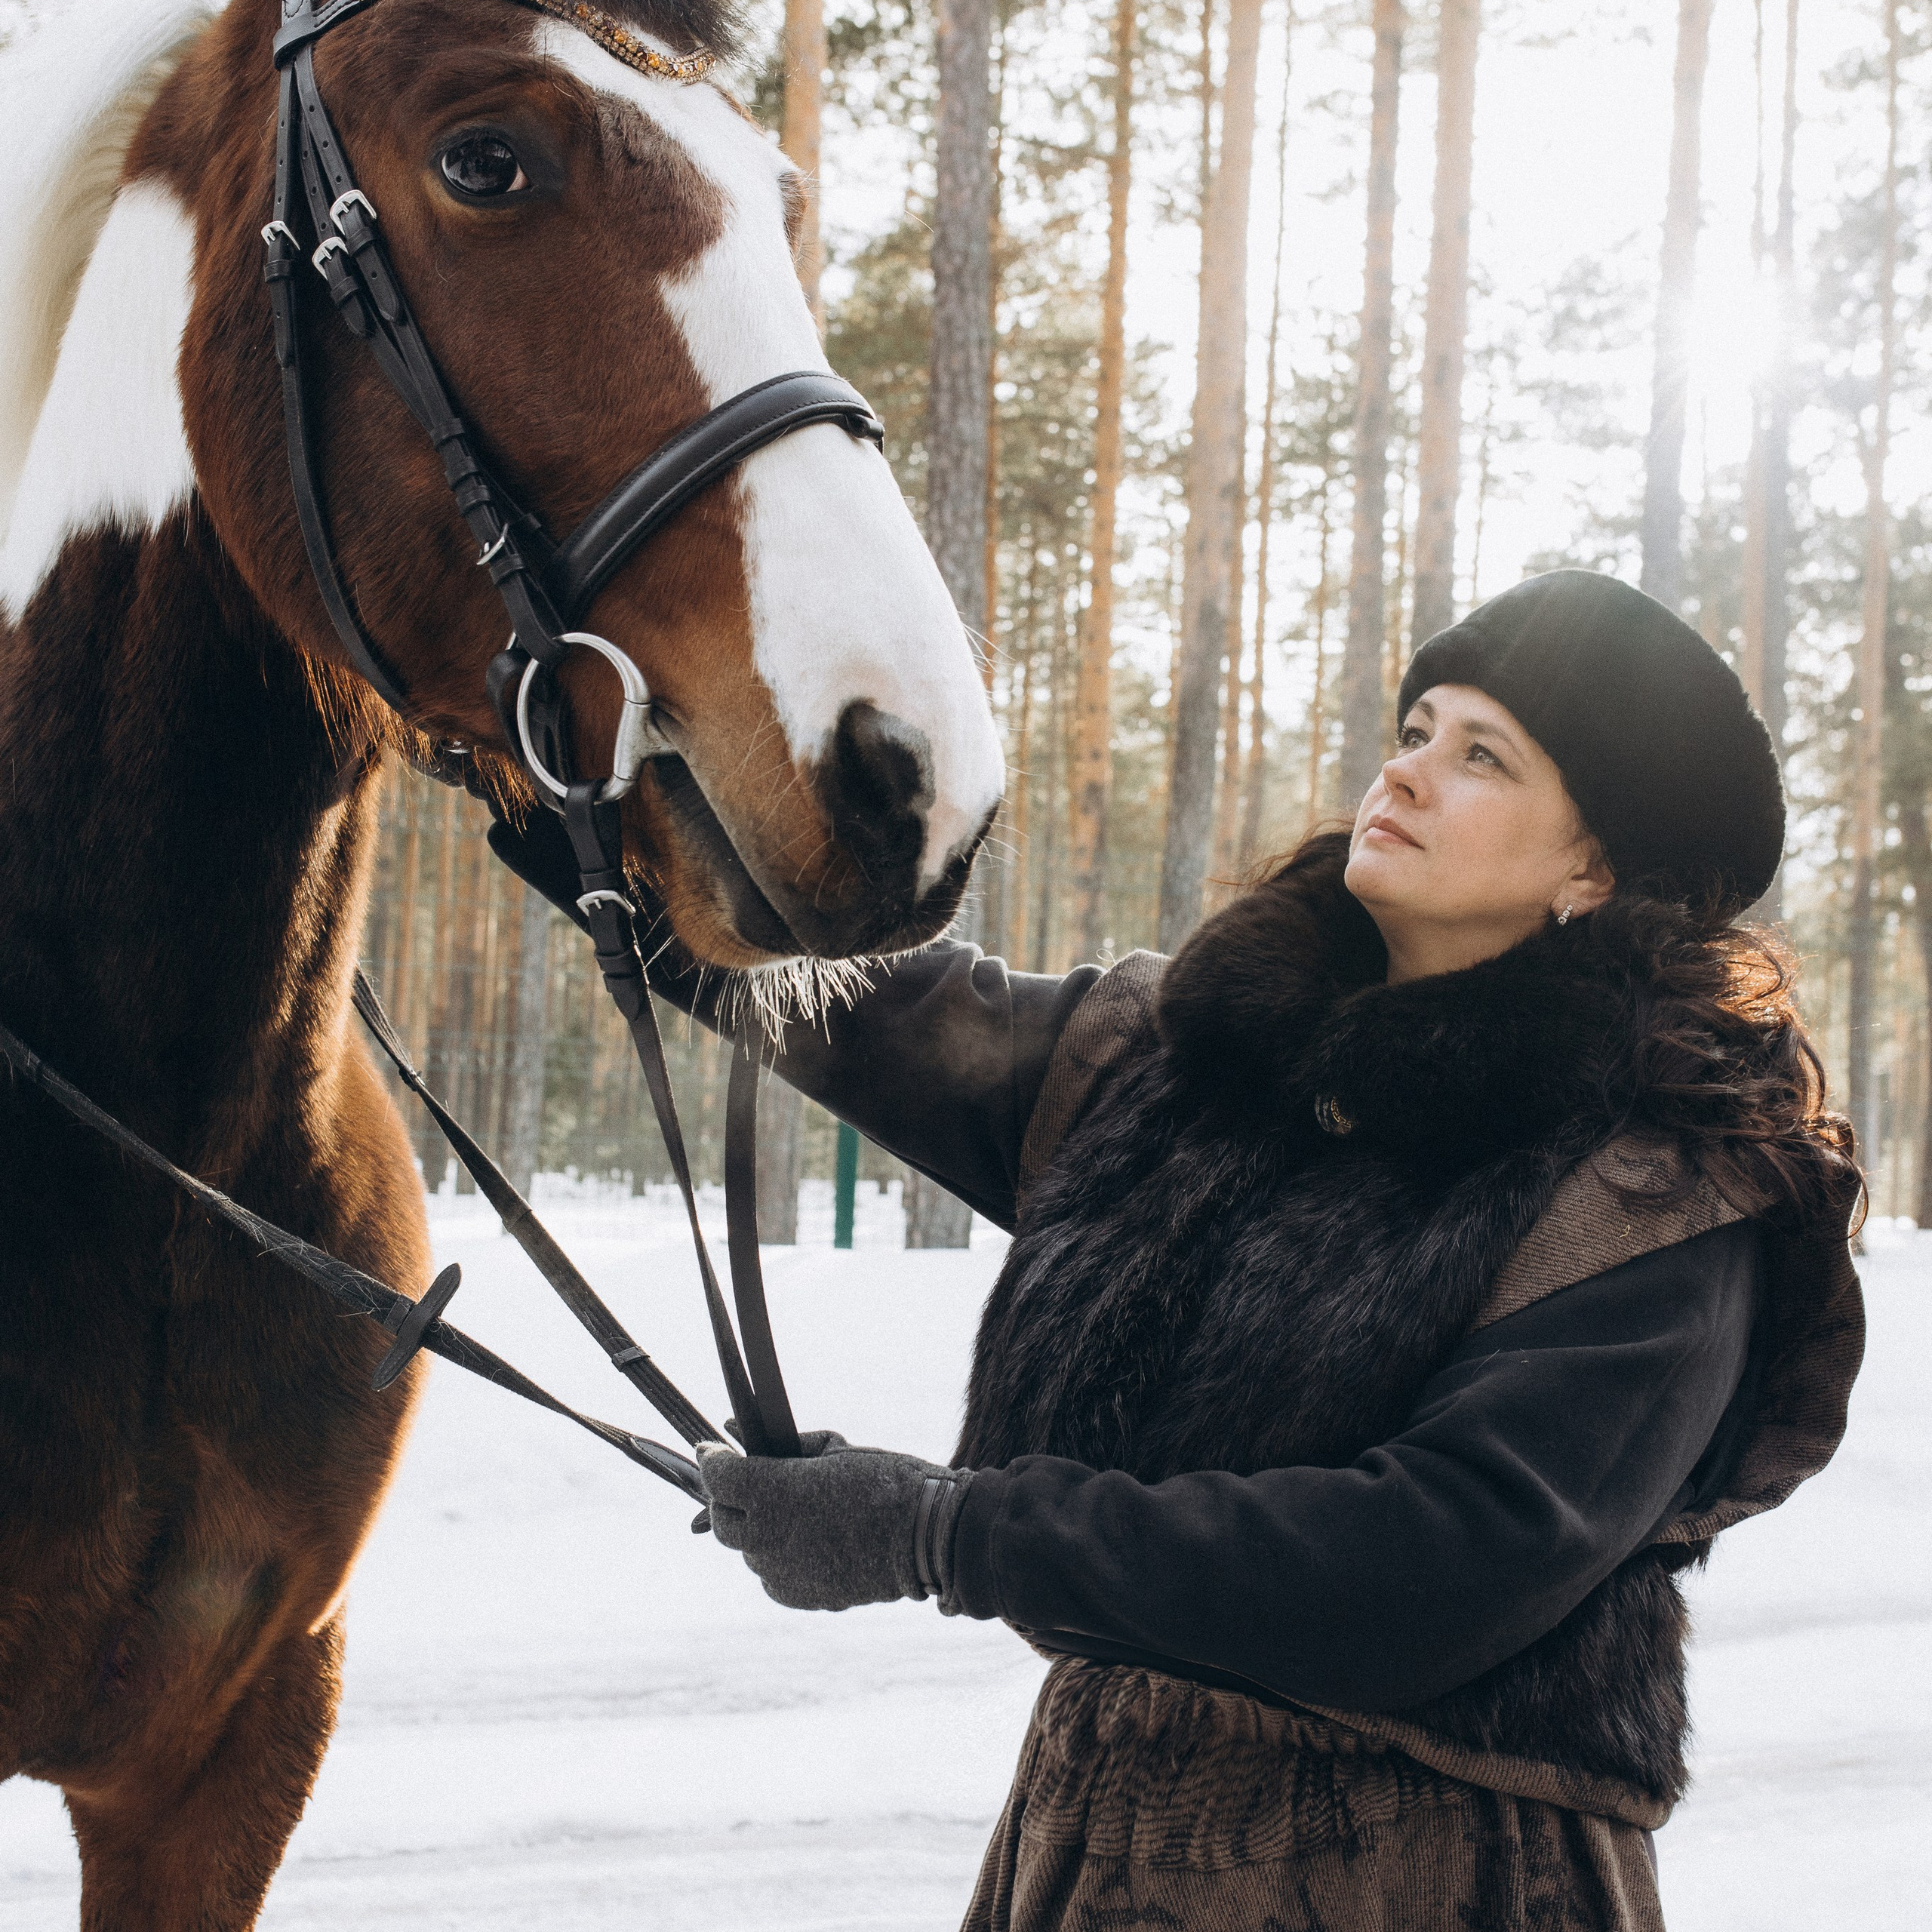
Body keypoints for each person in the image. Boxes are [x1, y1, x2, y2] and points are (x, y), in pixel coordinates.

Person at [503, 569, 1866, 1930]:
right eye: (1415, 728)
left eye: (1481, 756)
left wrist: (940, 1533)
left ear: (1595, 869)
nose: (1406, 775)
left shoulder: (1659, 1182)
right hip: (1097, 1843)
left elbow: (1435, 1562)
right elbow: (877, 1013)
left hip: (1440, 1878)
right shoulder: (1195, 1058)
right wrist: (553, 792)